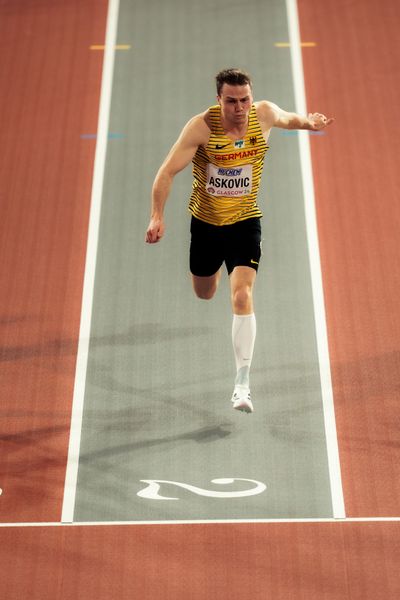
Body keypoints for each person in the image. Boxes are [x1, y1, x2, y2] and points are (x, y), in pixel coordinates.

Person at [145, 68, 333, 413]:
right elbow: (167, 171)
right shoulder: (201, 127)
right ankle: (214, 273)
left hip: (245, 222)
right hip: (205, 225)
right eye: (231, 101)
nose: (239, 107)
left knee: (243, 294)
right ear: (219, 100)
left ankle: (242, 385)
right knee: (206, 292)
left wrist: (310, 122)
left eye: (244, 99)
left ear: (251, 96)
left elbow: (288, 119)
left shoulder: (263, 115)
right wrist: (157, 215)